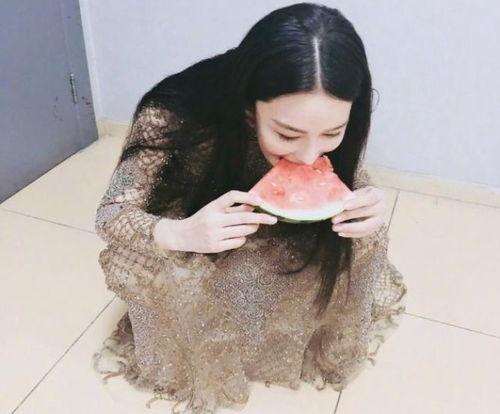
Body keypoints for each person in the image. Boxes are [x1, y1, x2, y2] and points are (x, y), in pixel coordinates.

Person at [92, 3, 408, 413]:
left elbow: (348, 180)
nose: (309, 155)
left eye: (332, 134)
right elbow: (110, 214)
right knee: (152, 261)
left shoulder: (333, 116)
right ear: (248, 106)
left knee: (366, 237)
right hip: (196, 220)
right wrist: (182, 233)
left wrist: (366, 202)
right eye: (287, 134)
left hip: (274, 228)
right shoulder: (172, 112)